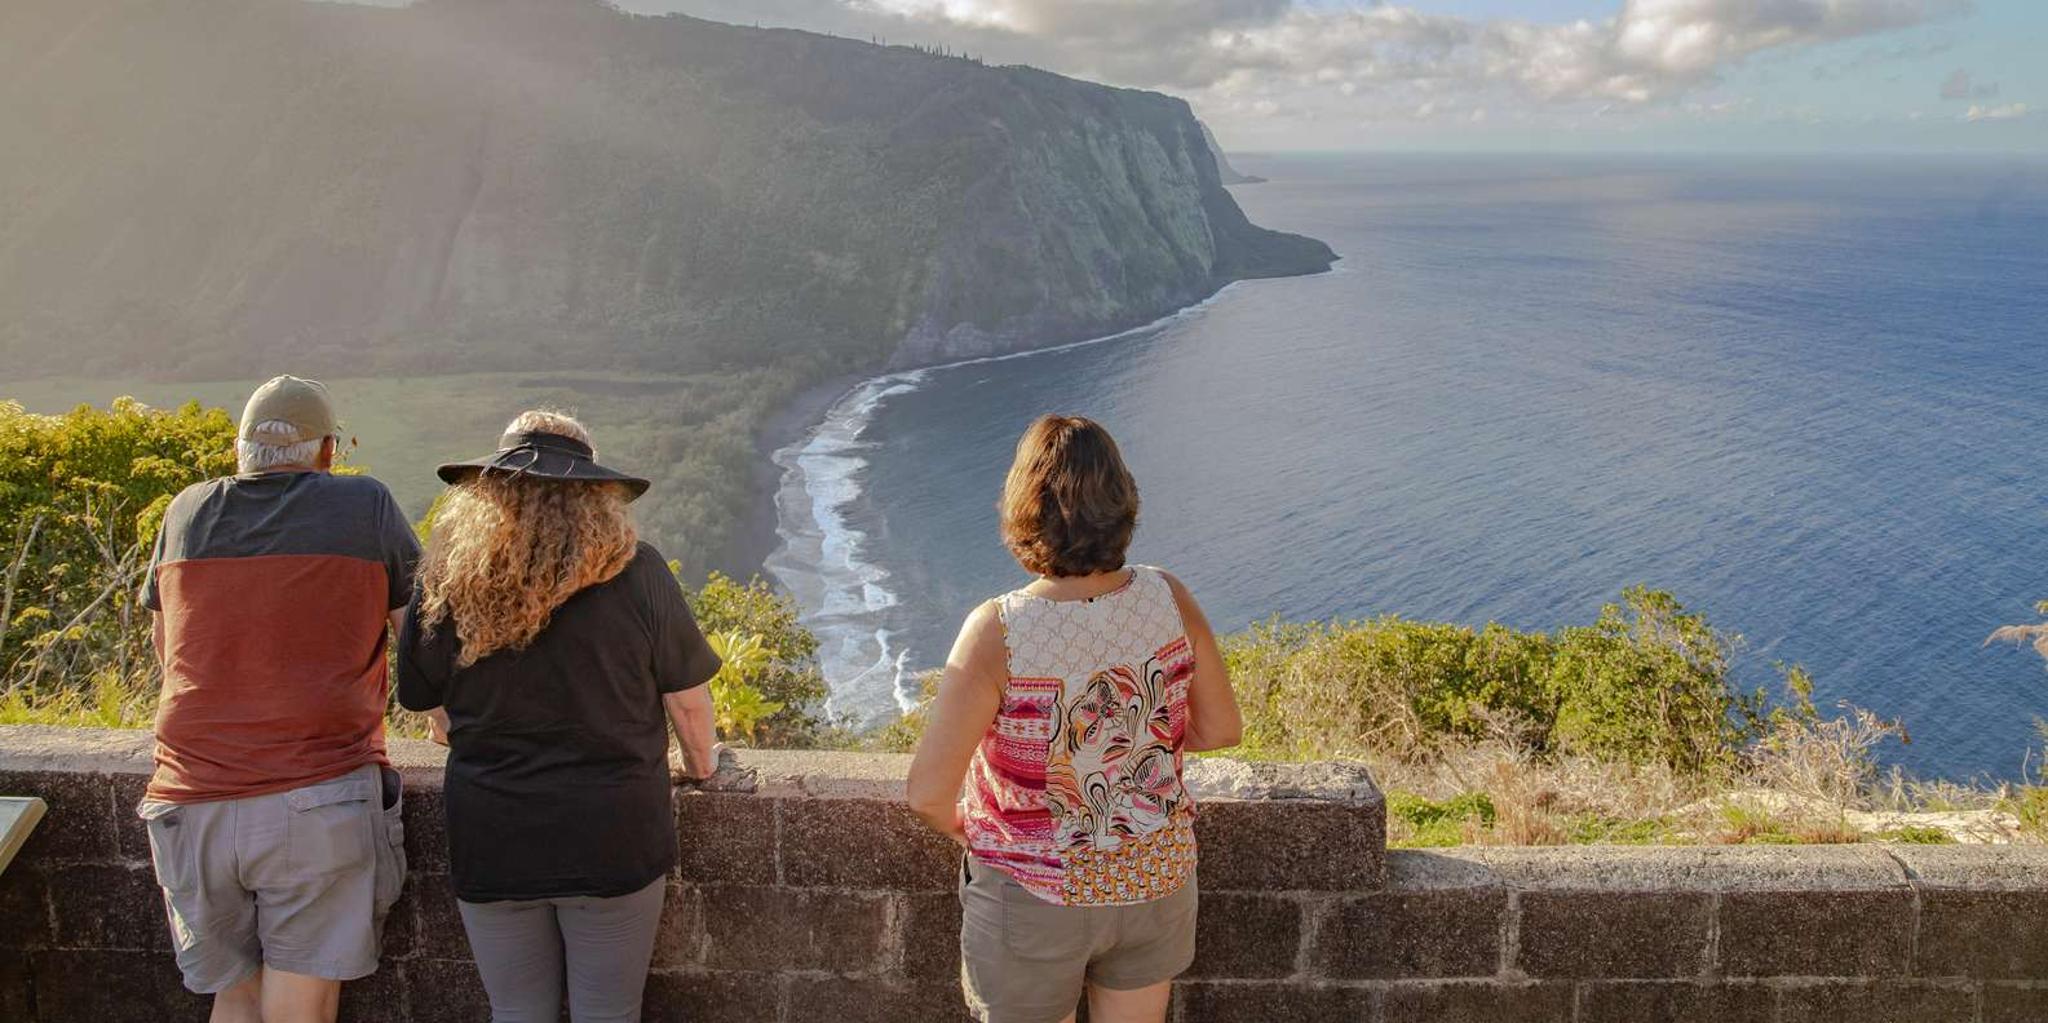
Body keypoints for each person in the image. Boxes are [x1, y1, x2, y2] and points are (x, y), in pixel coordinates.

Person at [906, 414, 1244, 1023]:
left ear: (1024, 508)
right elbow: (1221, 728)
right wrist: (1136, 747)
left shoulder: (998, 631)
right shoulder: (1167, 597)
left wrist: (977, 833)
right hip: (1154, 878)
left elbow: (928, 794)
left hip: (1033, 895)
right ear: (1122, 501)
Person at [396, 410, 723, 1023]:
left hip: (493, 832)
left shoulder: (445, 581)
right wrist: (702, 766)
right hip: (613, 832)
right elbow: (687, 699)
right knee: (608, 1012)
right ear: (595, 494)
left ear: (487, 494)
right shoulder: (639, 571)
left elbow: (426, 703)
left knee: (517, 1011)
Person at [135, 375, 419, 1023]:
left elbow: (166, 644)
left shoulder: (186, 511)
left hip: (188, 799)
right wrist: (439, 716)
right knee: (300, 1002)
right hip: (313, 789)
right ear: (328, 452)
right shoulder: (364, 504)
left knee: (234, 996)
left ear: (240, 452)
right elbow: (418, 639)